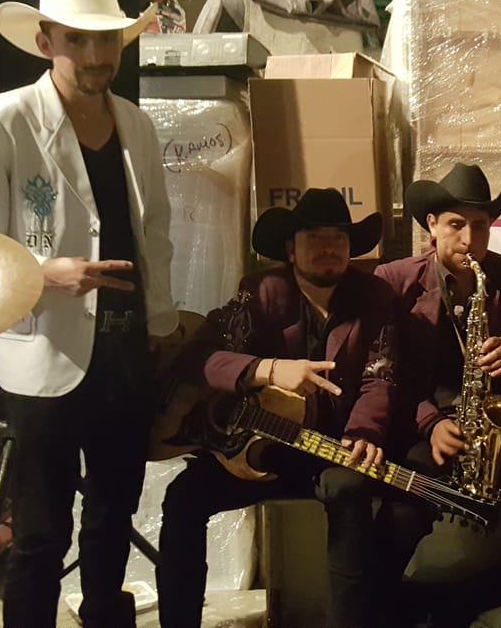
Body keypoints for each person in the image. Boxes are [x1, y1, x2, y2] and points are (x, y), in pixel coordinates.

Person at [0, 0, 178, 627]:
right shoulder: (0, 120)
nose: (96, 55)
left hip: (126, 354)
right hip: (43, 350)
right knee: (42, 531)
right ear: (46, 41)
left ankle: (104, 614)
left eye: (106, 40)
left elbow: (154, 232)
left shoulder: (136, 124)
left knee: (114, 513)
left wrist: (161, 326)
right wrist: (47, 273)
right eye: (78, 40)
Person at [157, 188, 423, 628]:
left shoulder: (374, 295)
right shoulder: (261, 291)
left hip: (331, 447)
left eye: (338, 238)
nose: (328, 248)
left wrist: (365, 431)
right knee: (183, 497)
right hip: (256, 449)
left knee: (350, 489)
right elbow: (197, 358)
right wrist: (268, 370)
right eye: (314, 237)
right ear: (290, 248)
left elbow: (381, 375)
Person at [373, 163, 501, 623]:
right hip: (427, 425)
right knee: (400, 514)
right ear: (431, 225)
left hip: (500, 429)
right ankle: (384, 609)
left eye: (480, 226)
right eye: (456, 225)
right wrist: (429, 422)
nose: (469, 239)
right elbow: (383, 372)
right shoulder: (394, 280)